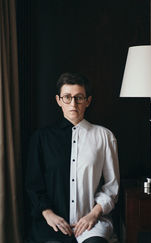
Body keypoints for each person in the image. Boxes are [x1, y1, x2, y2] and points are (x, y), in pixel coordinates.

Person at [26, 72, 120, 243]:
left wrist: (93, 214)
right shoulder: (41, 138)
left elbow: (111, 186)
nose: (73, 104)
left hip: (93, 223)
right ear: (58, 100)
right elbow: (34, 185)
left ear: (88, 101)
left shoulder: (104, 136)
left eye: (79, 98)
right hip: (52, 223)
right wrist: (49, 214)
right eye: (67, 97)